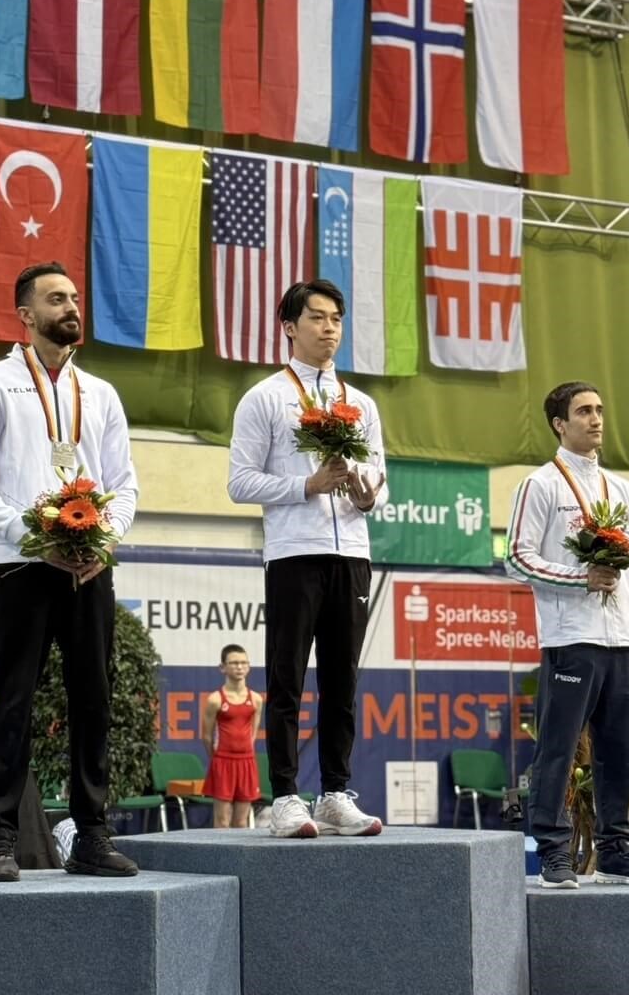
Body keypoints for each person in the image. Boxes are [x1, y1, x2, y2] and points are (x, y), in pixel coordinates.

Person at [0, 261, 139, 882]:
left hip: (88, 570)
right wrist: (32, 538)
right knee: (13, 703)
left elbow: (125, 486)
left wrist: (101, 544)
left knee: (94, 701)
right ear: (26, 315)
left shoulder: (103, 394)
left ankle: (91, 834)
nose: (72, 306)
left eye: (76, 296)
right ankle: (0, 840)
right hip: (20, 569)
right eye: (57, 298)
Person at [228, 279, 387, 839]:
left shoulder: (361, 404)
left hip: (353, 555)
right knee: (288, 678)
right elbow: (239, 482)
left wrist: (369, 496)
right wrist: (307, 484)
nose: (329, 328)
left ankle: (337, 793)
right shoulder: (265, 397)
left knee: (342, 680)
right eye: (317, 318)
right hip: (295, 552)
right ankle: (287, 797)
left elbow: (380, 483)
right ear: (290, 327)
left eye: (337, 319)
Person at [506, 380, 629, 888]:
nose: (596, 419)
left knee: (621, 752)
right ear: (559, 423)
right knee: (558, 747)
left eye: (599, 410)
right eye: (584, 411)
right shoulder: (541, 484)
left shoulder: (619, 490)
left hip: (622, 643)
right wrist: (580, 577)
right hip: (572, 638)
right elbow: (517, 557)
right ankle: (553, 852)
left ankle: (616, 849)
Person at [202, 644, 263, 828]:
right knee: (222, 820)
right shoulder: (215, 699)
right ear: (223, 668)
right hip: (223, 762)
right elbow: (206, 736)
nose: (239, 667)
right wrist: (218, 760)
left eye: (244, 663)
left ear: (249, 667)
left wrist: (245, 755)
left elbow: (253, 733)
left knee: (241, 821)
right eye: (234, 663)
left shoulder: (256, 699)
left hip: (246, 762)